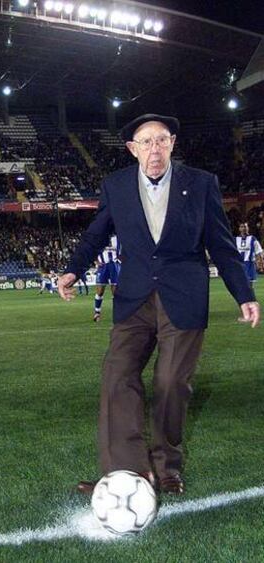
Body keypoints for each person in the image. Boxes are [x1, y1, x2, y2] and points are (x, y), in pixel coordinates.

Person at [58, 113, 259, 495]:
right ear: (133, 149)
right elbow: (95, 235)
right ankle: (126, 472)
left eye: (162, 140)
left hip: (183, 296)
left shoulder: (200, 184)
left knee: (170, 382)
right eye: (146, 142)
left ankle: (167, 467)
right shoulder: (116, 186)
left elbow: (221, 244)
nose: (155, 149)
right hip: (134, 297)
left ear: (172, 144)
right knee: (117, 374)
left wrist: (244, 295)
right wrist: (72, 271)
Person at [93, 234, 120, 321]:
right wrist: (96, 261)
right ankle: (97, 312)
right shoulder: (99, 236)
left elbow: (122, 251)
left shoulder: (118, 237)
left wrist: (120, 262)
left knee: (115, 292)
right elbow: (92, 250)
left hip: (114, 265)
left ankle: (117, 313)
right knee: (100, 291)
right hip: (103, 266)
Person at [235, 221, 264, 288]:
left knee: (250, 285)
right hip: (239, 264)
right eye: (242, 227)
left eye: (245, 226)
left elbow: (259, 252)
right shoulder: (236, 239)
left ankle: (251, 297)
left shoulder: (253, 239)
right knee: (241, 284)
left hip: (250, 264)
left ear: (248, 228)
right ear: (239, 229)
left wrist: (261, 263)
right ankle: (243, 298)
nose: (244, 228)